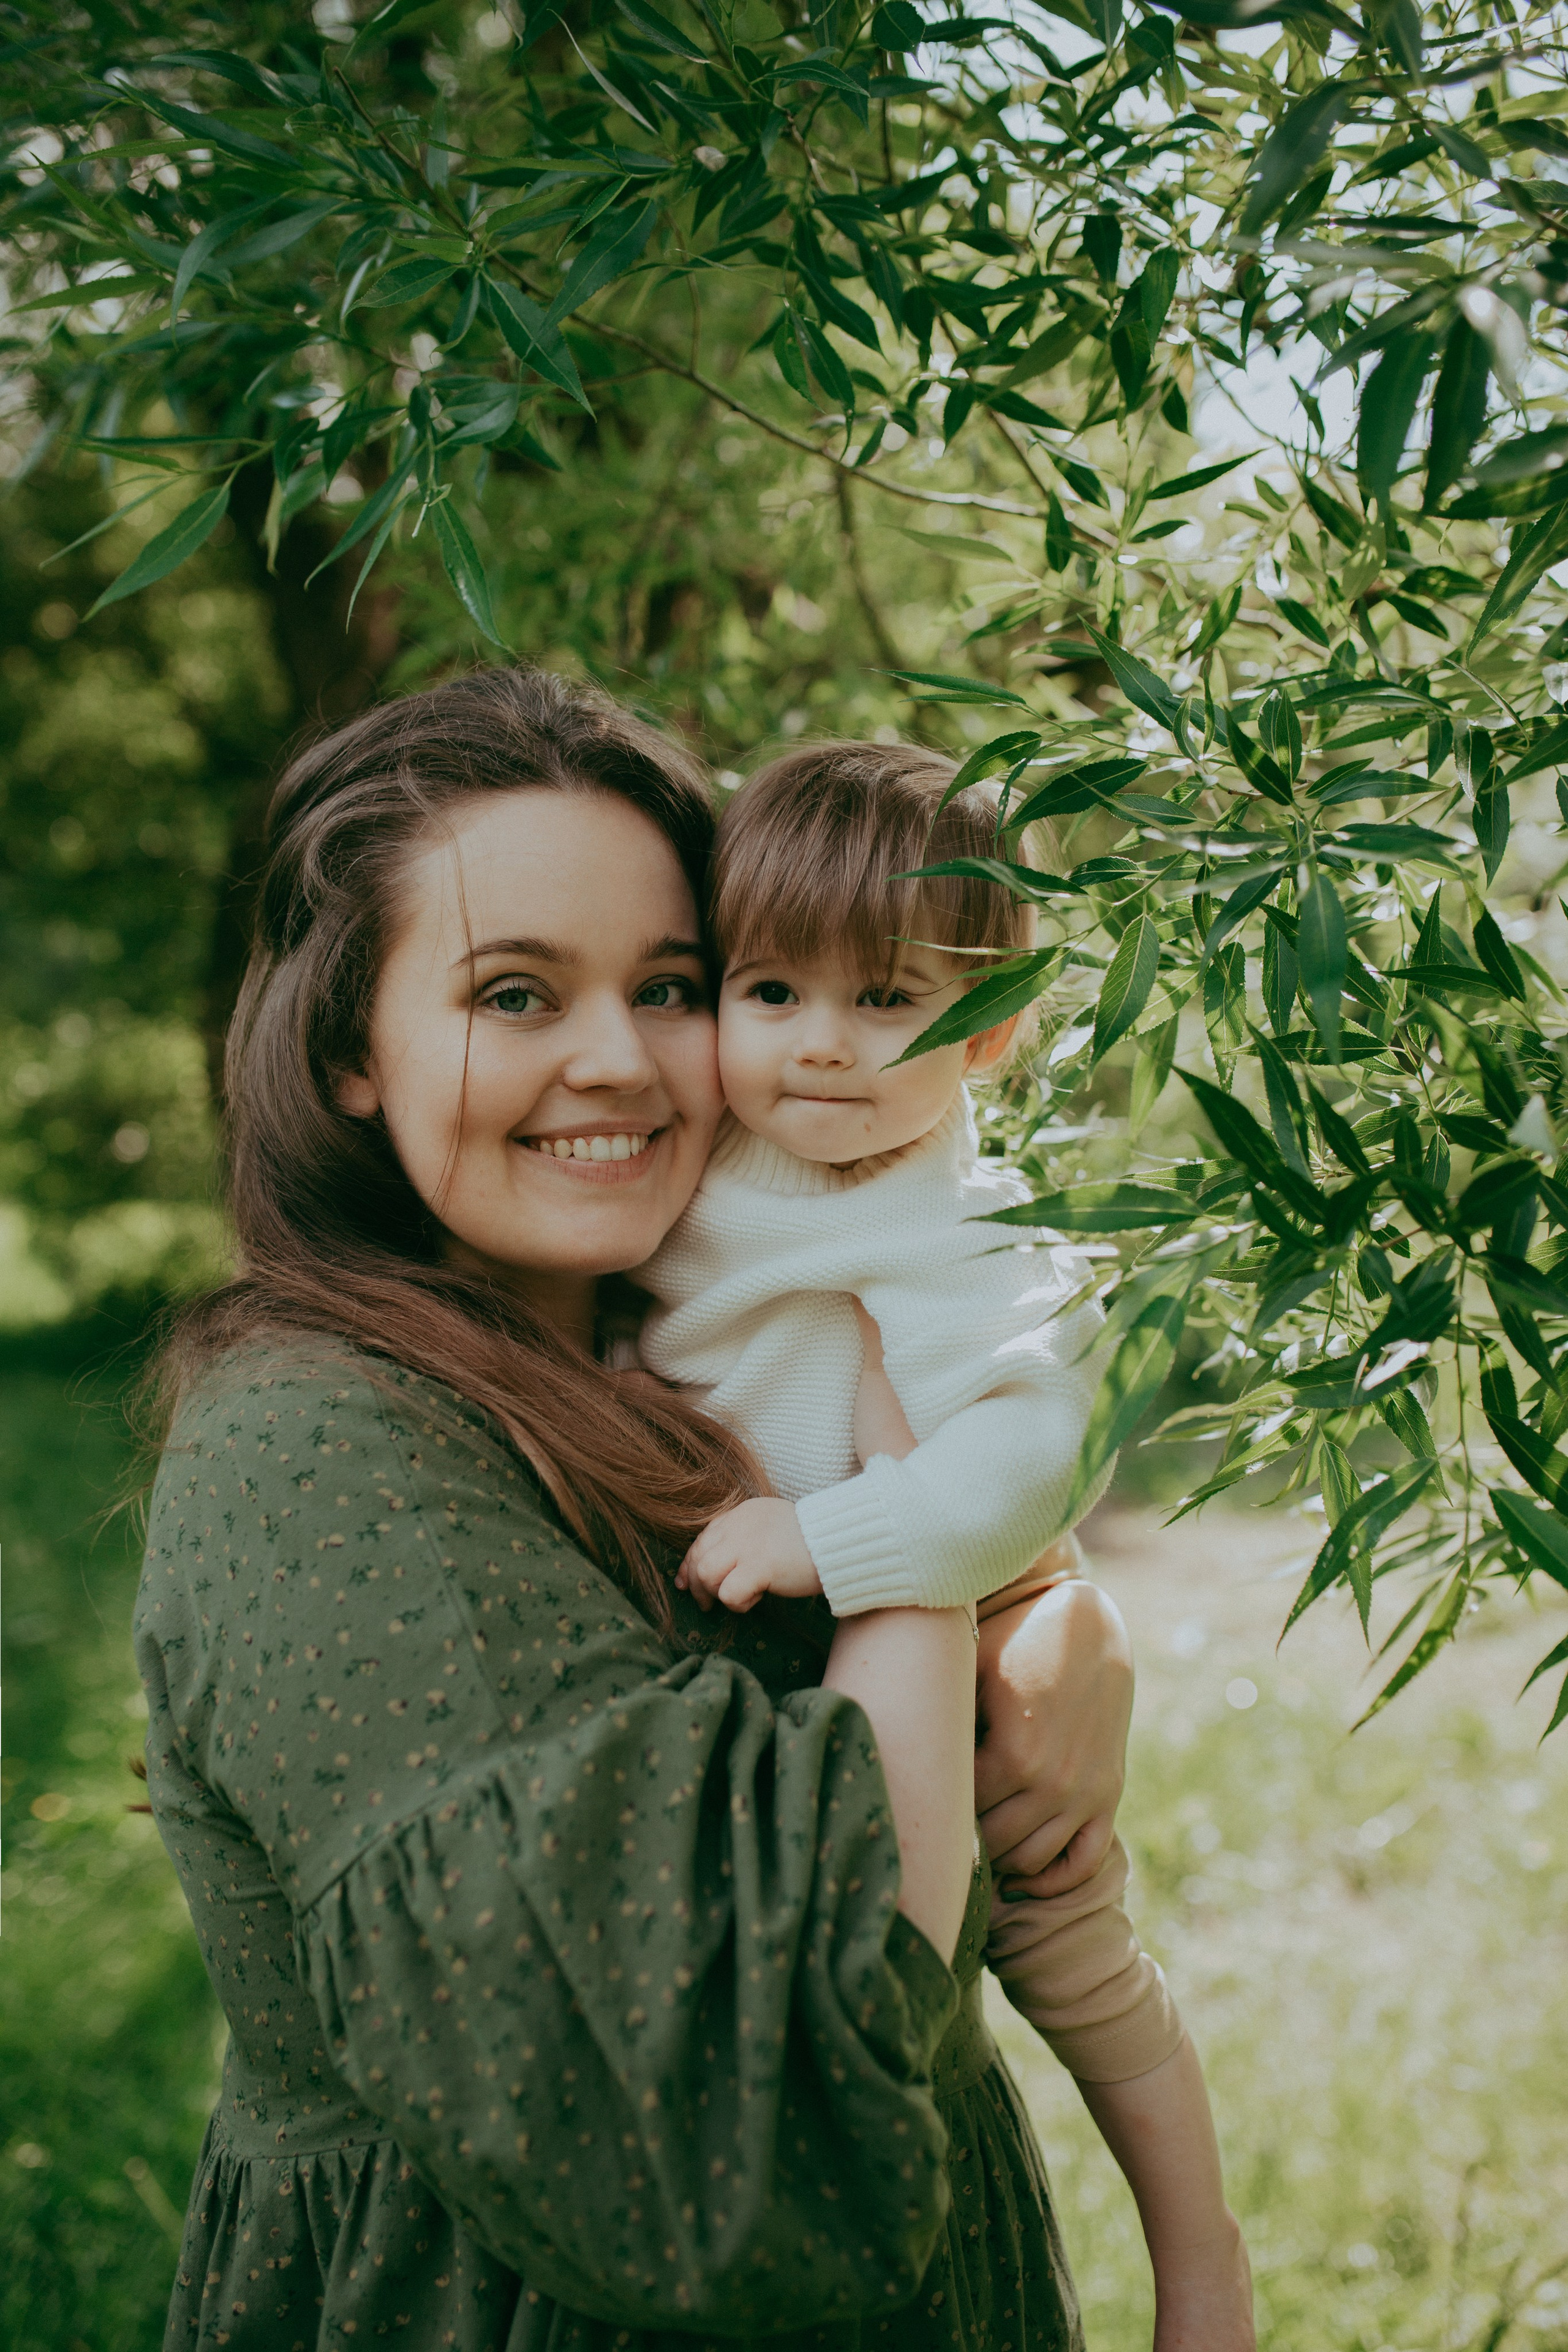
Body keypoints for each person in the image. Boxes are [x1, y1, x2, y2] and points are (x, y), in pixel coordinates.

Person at [135, 667, 1149, 2352]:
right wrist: (924, 1569)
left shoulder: (664, 1350)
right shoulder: (316, 1457)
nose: (619, 1061)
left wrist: (1053, 1609)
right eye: (516, 995)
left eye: (671, 986)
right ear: (347, 1052)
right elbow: (753, 2133)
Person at [640, 743, 1254, 2350]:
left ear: (991, 1033)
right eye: (769, 992)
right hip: (726, 1660)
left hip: (917, 1649)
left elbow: (1031, 1459)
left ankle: (1202, 2269)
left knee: (1068, 1938)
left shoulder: (971, 1225)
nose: (821, 1049)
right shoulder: (687, 1160)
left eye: (886, 999)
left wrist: (835, 1535)